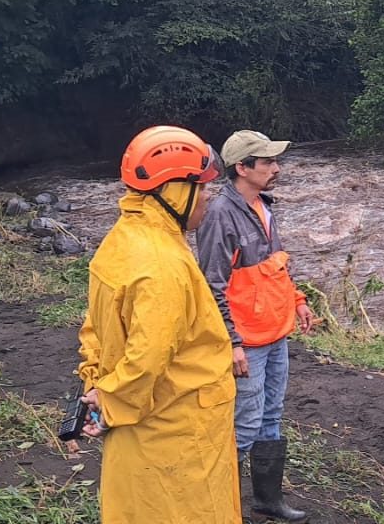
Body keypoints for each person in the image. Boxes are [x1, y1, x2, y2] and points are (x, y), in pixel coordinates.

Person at [75, 125, 240, 524]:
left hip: (141, 426)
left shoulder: (123, 238)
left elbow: (94, 327)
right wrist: (111, 401)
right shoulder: (162, 265)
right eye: (200, 188)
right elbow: (148, 358)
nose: (207, 198)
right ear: (174, 191)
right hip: (176, 430)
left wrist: (98, 388)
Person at [197, 130, 315, 524]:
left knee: (270, 417)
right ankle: (219, 507)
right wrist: (231, 343)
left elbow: (275, 266)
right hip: (246, 341)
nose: (276, 169)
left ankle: (267, 501)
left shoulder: (264, 206)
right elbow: (211, 286)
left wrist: (298, 301)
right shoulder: (219, 214)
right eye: (267, 163)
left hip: (275, 333)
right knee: (244, 424)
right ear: (242, 168)